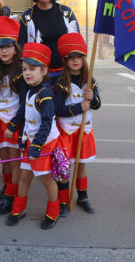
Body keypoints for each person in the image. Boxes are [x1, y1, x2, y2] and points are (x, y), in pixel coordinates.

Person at [5, 42, 61, 230]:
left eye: (32, 69)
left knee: (46, 179)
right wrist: (14, 127)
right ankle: (18, 210)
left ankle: (54, 212)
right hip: (31, 142)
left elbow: (46, 123)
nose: (27, 73)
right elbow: (24, 112)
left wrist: (36, 147)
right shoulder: (30, 90)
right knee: (24, 176)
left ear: (44, 70)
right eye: (24, 69)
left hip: (44, 144)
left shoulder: (45, 95)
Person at [54, 33, 101, 216]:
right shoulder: (61, 83)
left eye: (78, 57)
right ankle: (63, 201)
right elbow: (58, 110)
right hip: (66, 131)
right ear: (65, 60)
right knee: (64, 166)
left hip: (84, 130)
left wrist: (93, 98)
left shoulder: (90, 80)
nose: (75, 61)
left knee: (81, 164)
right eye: (71, 57)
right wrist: (78, 107)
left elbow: (98, 105)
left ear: (83, 59)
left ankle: (83, 197)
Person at [0, 17, 27, 215]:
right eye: (0, 47)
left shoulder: (20, 70)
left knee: (14, 161)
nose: (4, 51)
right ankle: (8, 190)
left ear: (15, 47)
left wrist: (14, 125)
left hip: (13, 122)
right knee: (4, 160)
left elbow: (24, 103)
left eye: (8, 46)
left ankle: (13, 198)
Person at [18, 0, 80, 84]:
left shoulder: (66, 13)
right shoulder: (26, 17)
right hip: (39, 79)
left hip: (65, 75)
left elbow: (76, 44)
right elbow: (21, 49)